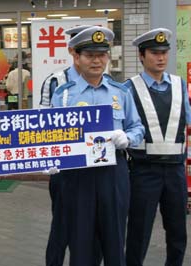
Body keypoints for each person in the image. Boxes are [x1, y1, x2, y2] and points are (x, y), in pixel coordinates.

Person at [50, 26, 145, 266]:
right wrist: (50, 158)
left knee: (114, 242)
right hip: (77, 175)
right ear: (77, 57)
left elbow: (137, 127)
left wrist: (128, 138)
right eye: (90, 55)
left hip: (113, 174)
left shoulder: (120, 92)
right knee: (80, 244)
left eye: (102, 55)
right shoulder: (63, 95)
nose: (96, 61)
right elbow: (50, 135)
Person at [125, 28, 190, 266]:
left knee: (178, 232)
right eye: (154, 52)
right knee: (138, 232)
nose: (161, 57)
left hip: (175, 171)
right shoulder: (129, 88)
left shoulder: (179, 85)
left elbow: (187, 119)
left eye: (164, 52)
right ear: (142, 56)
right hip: (144, 171)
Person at [45, 24, 94, 266]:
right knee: (61, 226)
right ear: (73, 51)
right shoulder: (55, 81)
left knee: (88, 232)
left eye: (96, 53)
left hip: (95, 170)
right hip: (64, 169)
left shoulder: (104, 81)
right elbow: (41, 124)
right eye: (84, 51)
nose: (91, 58)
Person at [39, 25, 92, 108]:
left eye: (99, 54)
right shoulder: (55, 82)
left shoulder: (108, 84)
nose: (95, 59)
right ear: (71, 50)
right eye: (88, 54)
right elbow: (44, 116)